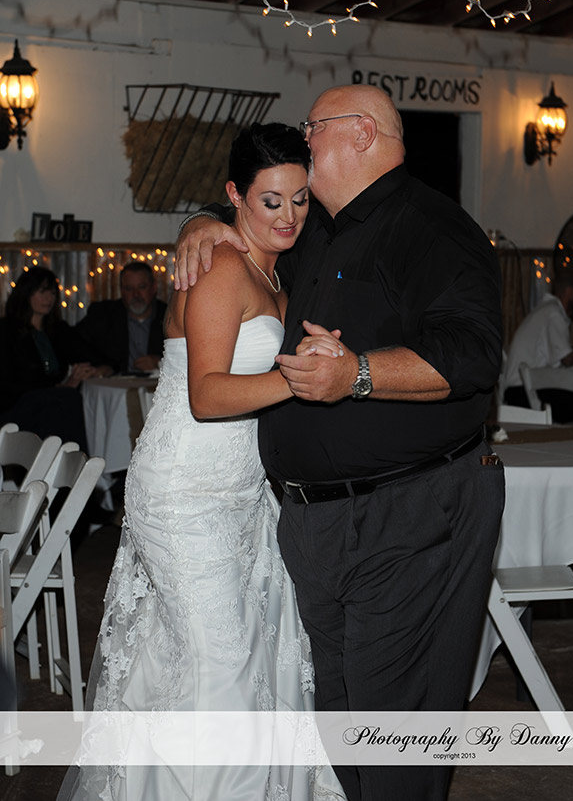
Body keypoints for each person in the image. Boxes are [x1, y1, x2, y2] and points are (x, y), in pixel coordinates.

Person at [175, 85, 505, 801]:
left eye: (313, 127)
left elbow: (473, 355)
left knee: (395, 717)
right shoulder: (319, 231)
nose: (304, 138)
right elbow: (251, 249)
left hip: (406, 510)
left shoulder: (432, 228)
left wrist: (356, 374)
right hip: (317, 521)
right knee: (338, 711)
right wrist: (201, 224)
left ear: (360, 133)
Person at [60, 123, 344, 801]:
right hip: (185, 494)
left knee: (225, 654)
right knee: (223, 663)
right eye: (271, 201)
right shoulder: (219, 265)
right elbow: (209, 396)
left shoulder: (273, 267)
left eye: (300, 199)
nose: (289, 216)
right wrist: (303, 376)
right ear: (235, 196)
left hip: (242, 495)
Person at [0, 267, 107, 449]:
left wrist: (97, 369)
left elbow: (95, 355)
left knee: (64, 403)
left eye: (52, 293)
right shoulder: (6, 331)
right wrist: (59, 388)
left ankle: (70, 462)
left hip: (52, 404)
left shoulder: (58, 330)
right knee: (66, 401)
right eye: (42, 292)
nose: (49, 298)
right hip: (16, 406)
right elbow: (8, 384)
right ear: (26, 293)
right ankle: (74, 461)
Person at [504, 267, 573, 422]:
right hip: (522, 393)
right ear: (569, 292)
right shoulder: (554, 313)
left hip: (521, 391)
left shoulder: (548, 310)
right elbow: (568, 358)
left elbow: (563, 352)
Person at [75, 261, 167, 374]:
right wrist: (102, 366)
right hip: (113, 384)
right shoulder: (103, 315)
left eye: (142, 287)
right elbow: (75, 343)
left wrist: (160, 363)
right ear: (121, 291)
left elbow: (184, 356)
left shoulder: (169, 316)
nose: (136, 294)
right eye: (129, 288)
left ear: (154, 288)